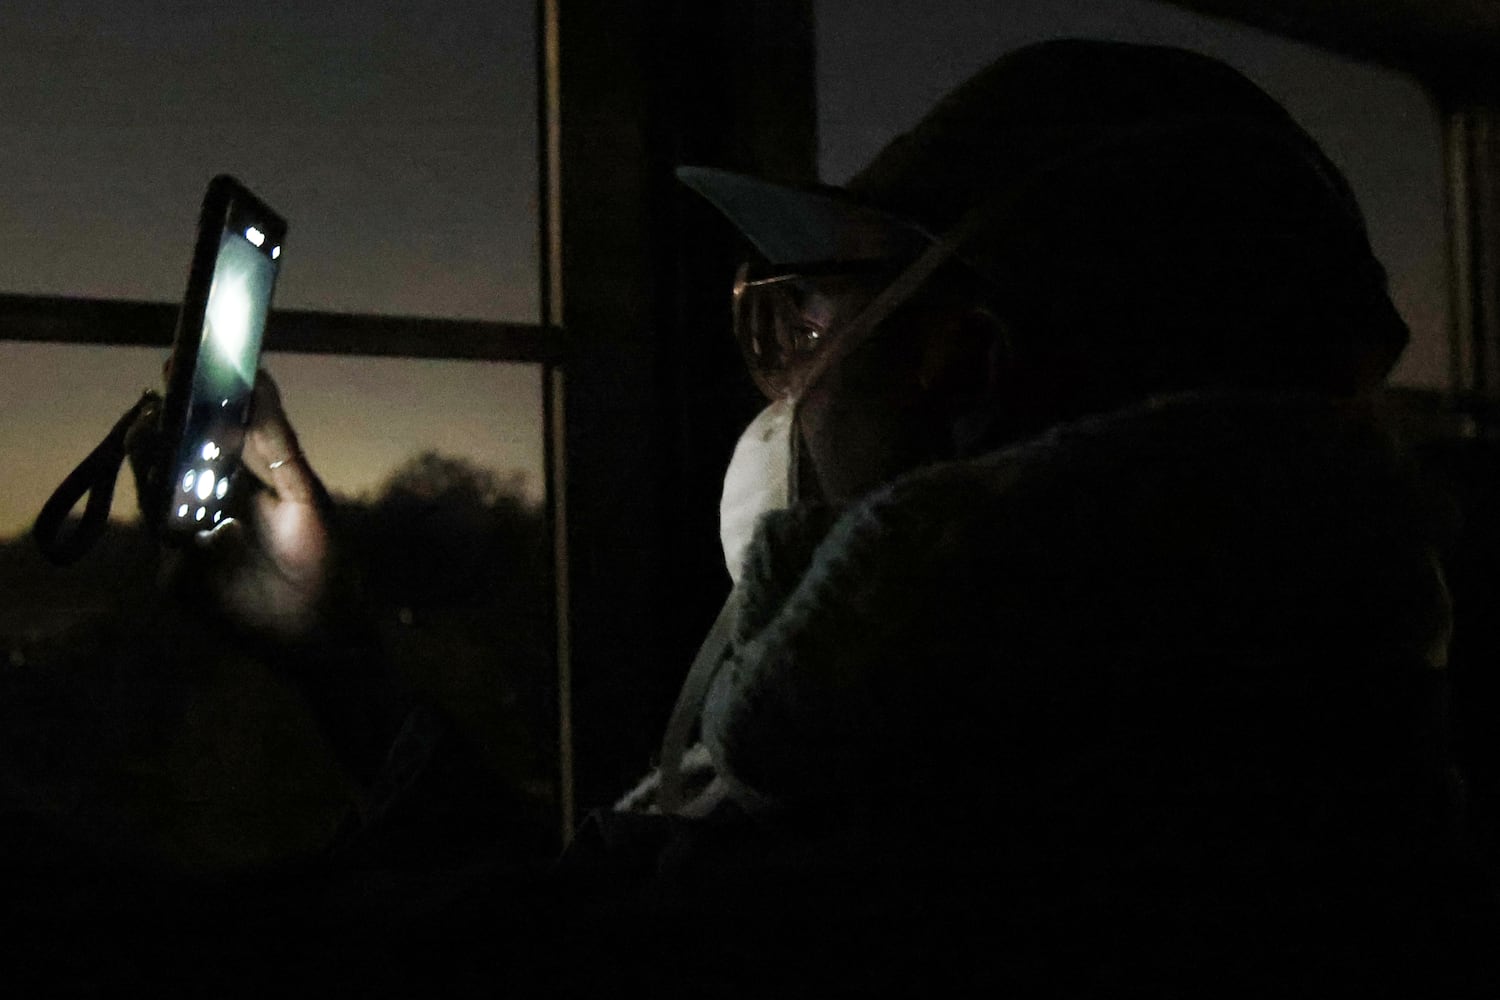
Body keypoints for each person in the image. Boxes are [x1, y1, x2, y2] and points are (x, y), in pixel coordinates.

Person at [60, 38, 1497, 992]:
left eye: (803, 319)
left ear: (965, 365)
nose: (779, 383)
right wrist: (341, 658)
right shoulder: (1260, 724)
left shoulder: (980, 831)